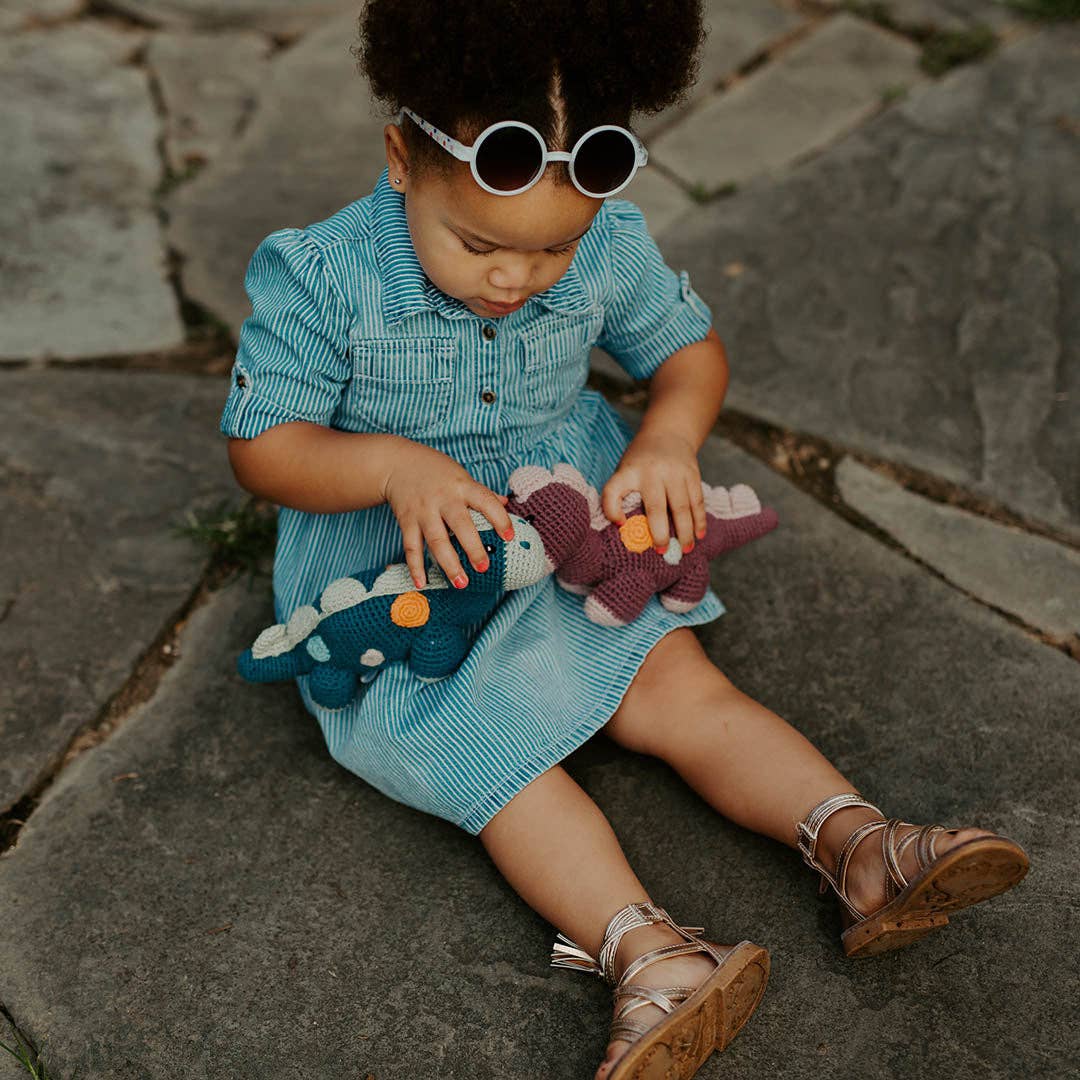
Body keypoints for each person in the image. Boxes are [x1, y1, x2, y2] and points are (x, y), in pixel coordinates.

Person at [220, 3, 1030, 1077]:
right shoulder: (321, 277)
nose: (517, 278)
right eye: (479, 245)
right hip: (401, 575)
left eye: (554, 247)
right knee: (494, 762)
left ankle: (861, 846)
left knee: (679, 691)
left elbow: (689, 357)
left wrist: (667, 443)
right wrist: (391, 466)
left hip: (572, 529)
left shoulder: (607, 243)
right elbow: (264, 445)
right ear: (401, 158)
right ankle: (649, 954)